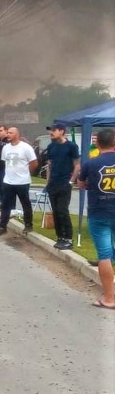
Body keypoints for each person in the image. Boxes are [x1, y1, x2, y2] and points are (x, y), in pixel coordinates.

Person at [76, 128, 115, 310]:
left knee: (104, 255)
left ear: (97, 143)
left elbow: (81, 184)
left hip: (99, 212)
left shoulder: (90, 164)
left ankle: (109, 298)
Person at [0, 126, 38, 236]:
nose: (8, 135)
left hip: (22, 182)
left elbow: (34, 163)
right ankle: (2, 226)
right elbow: (5, 162)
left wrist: (28, 172)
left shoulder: (25, 148)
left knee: (25, 204)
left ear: (17, 135)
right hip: (8, 181)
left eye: (11, 133)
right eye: (7, 133)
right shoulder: (6, 148)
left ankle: (28, 225)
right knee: (5, 205)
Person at [43, 122, 80, 250]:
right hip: (53, 183)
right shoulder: (51, 146)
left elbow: (77, 165)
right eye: (50, 130)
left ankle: (68, 238)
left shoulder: (71, 146)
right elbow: (49, 165)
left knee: (62, 210)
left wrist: (71, 181)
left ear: (62, 131)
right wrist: (48, 182)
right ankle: (60, 237)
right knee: (55, 211)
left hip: (64, 183)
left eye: (54, 130)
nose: (51, 133)